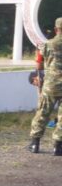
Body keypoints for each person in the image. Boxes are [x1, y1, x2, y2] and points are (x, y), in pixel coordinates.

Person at [28, 17, 62, 155]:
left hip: (51, 84)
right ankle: (58, 147)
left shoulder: (47, 44)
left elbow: (39, 66)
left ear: (56, 29)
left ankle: (35, 144)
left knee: (43, 112)